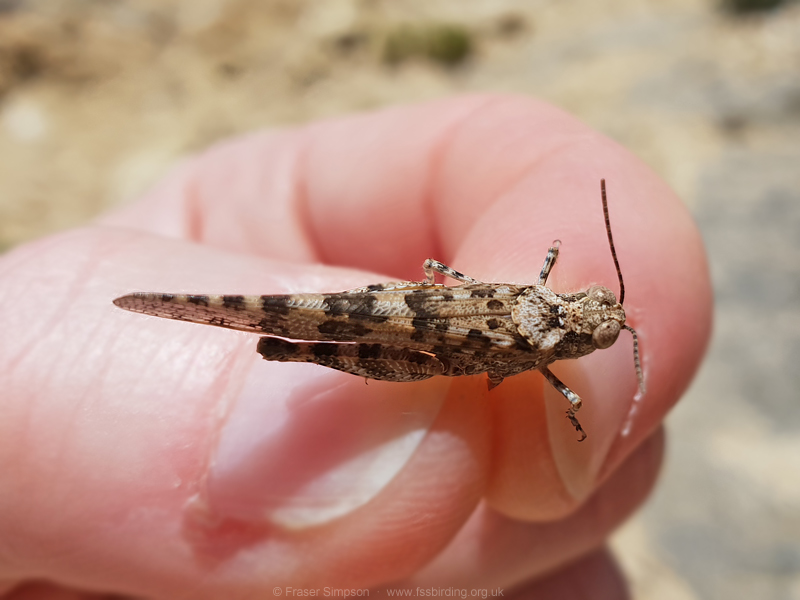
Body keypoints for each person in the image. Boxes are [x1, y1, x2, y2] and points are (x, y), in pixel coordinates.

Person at [0, 95, 711, 599]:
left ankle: (295, 350)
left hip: (427, 349)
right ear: (572, 309)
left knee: (312, 346)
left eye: (599, 320)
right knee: (303, 319)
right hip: (406, 313)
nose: (598, 316)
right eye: (595, 312)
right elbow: (543, 374)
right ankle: (252, 330)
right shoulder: (545, 348)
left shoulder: (536, 315)